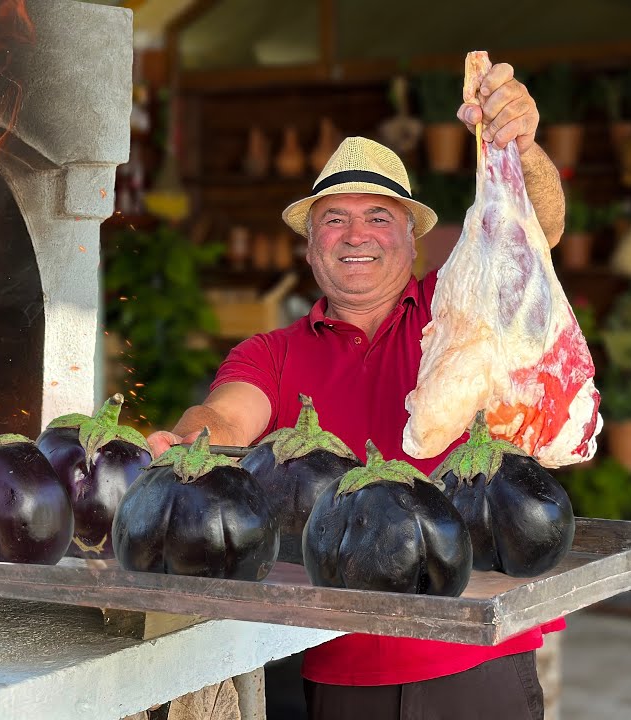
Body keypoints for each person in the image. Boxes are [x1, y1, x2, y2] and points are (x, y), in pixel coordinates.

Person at [147, 63, 567, 720]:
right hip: (344, 667)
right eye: (334, 219)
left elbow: (534, 234)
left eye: (378, 216)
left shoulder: (459, 313)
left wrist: (523, 150)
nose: (356, 235)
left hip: (476, 654)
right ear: (311, 249)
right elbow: (227, 414)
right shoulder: (273, 353)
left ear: (411, 242)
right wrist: (189, 443)